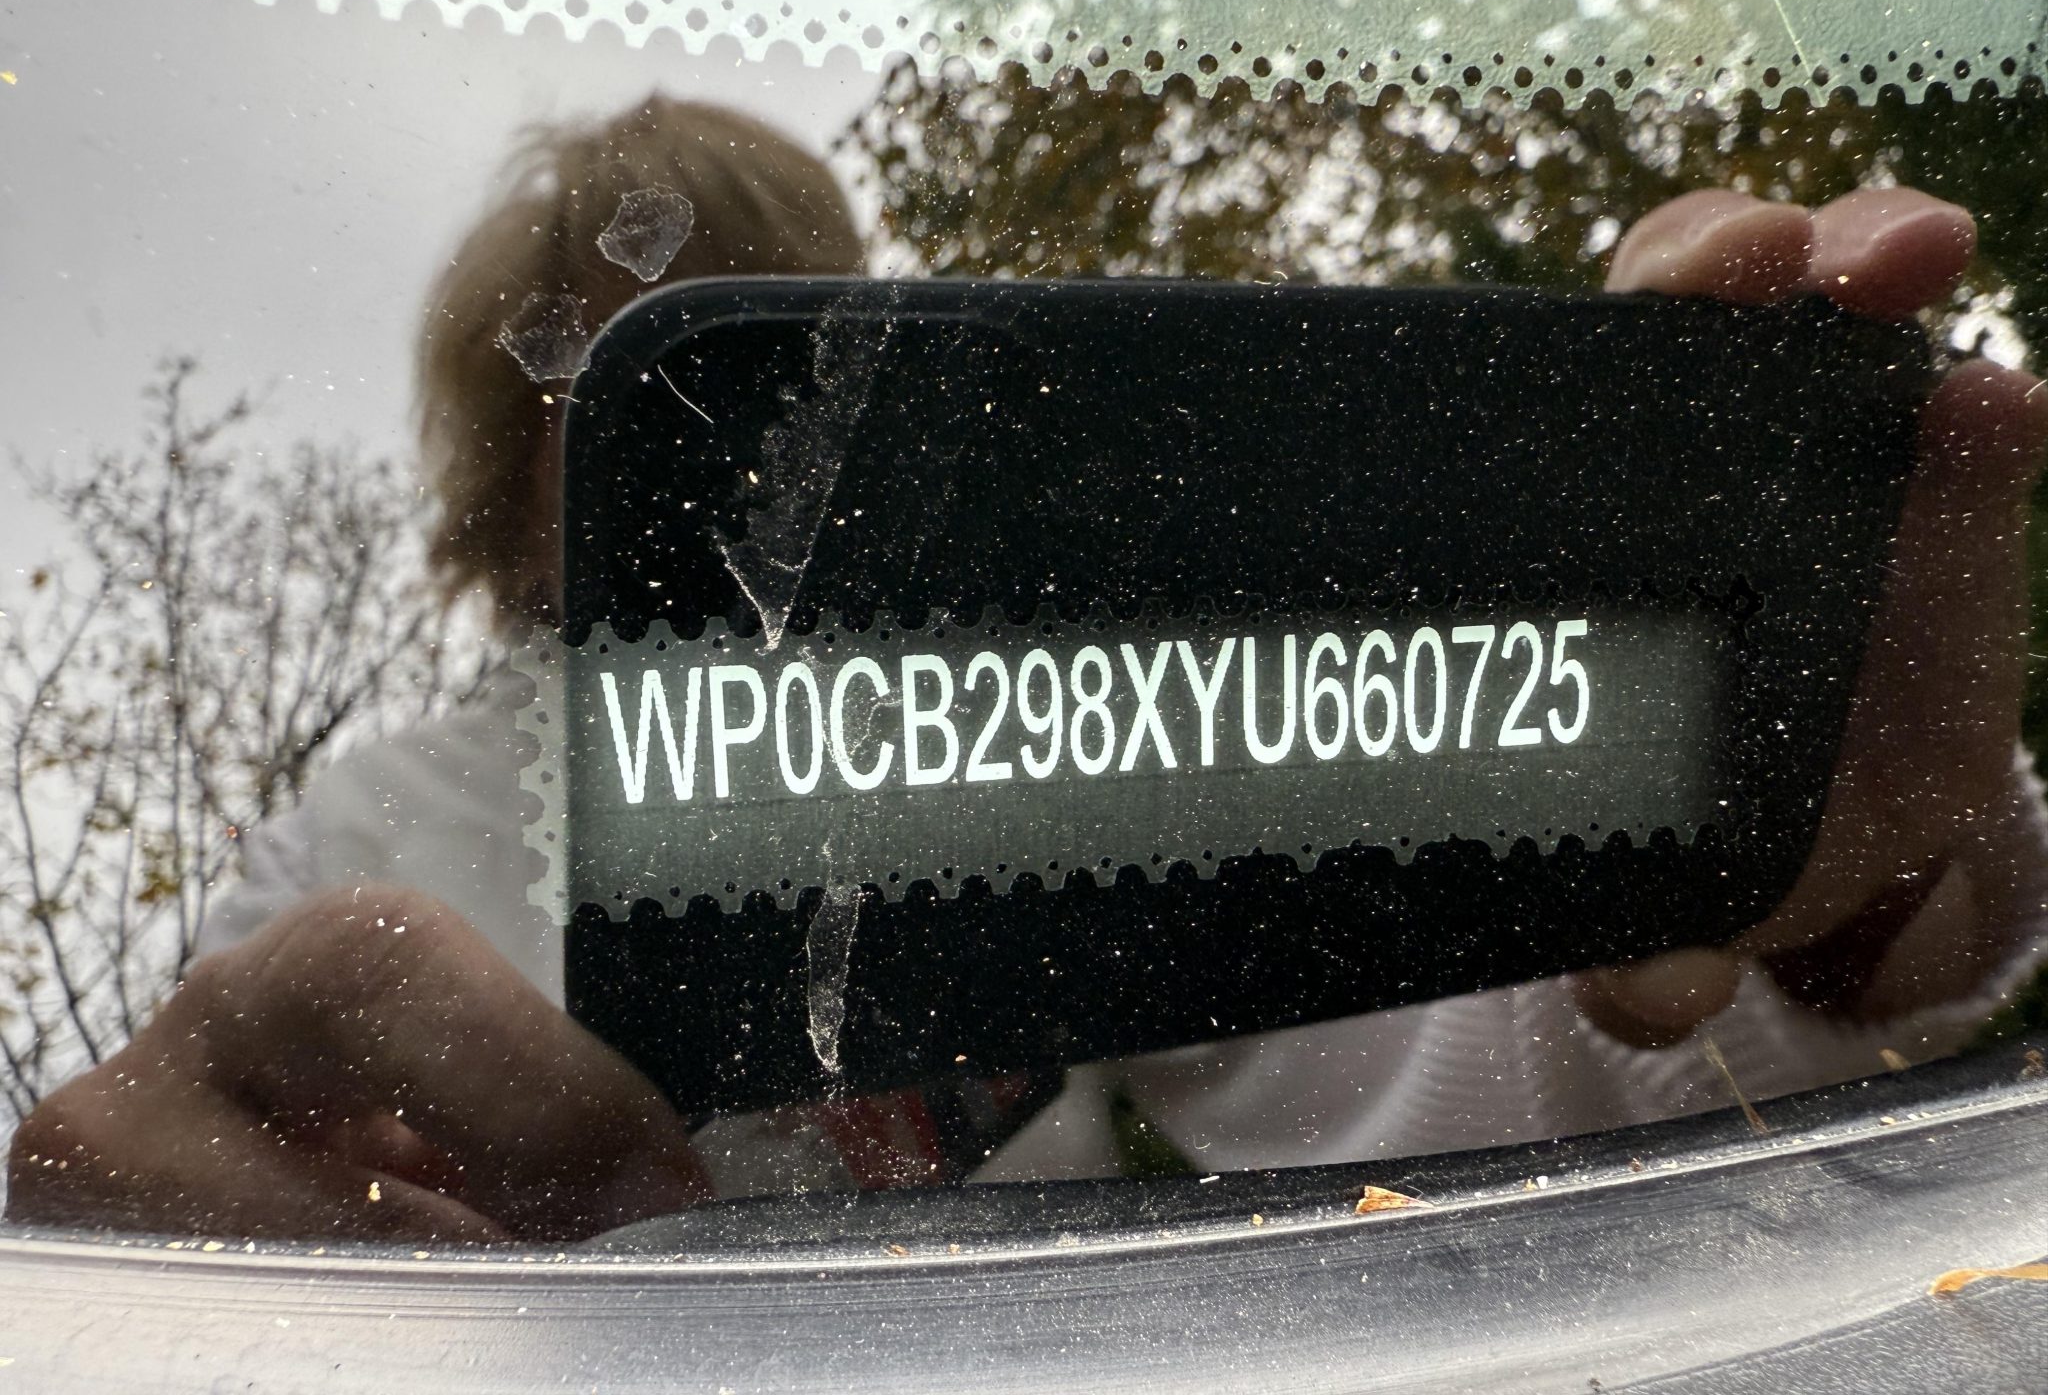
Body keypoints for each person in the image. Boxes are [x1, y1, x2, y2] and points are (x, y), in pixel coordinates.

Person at [11, 106, 2047, 1235]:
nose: (731, 458)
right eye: (619, 381)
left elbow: (1408, 1099)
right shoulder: (364, 830)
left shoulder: (1005, 729)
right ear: (497, 467)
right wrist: (112, 1236)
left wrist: (1714, 863)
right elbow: (173, 1179)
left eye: (789, 363)